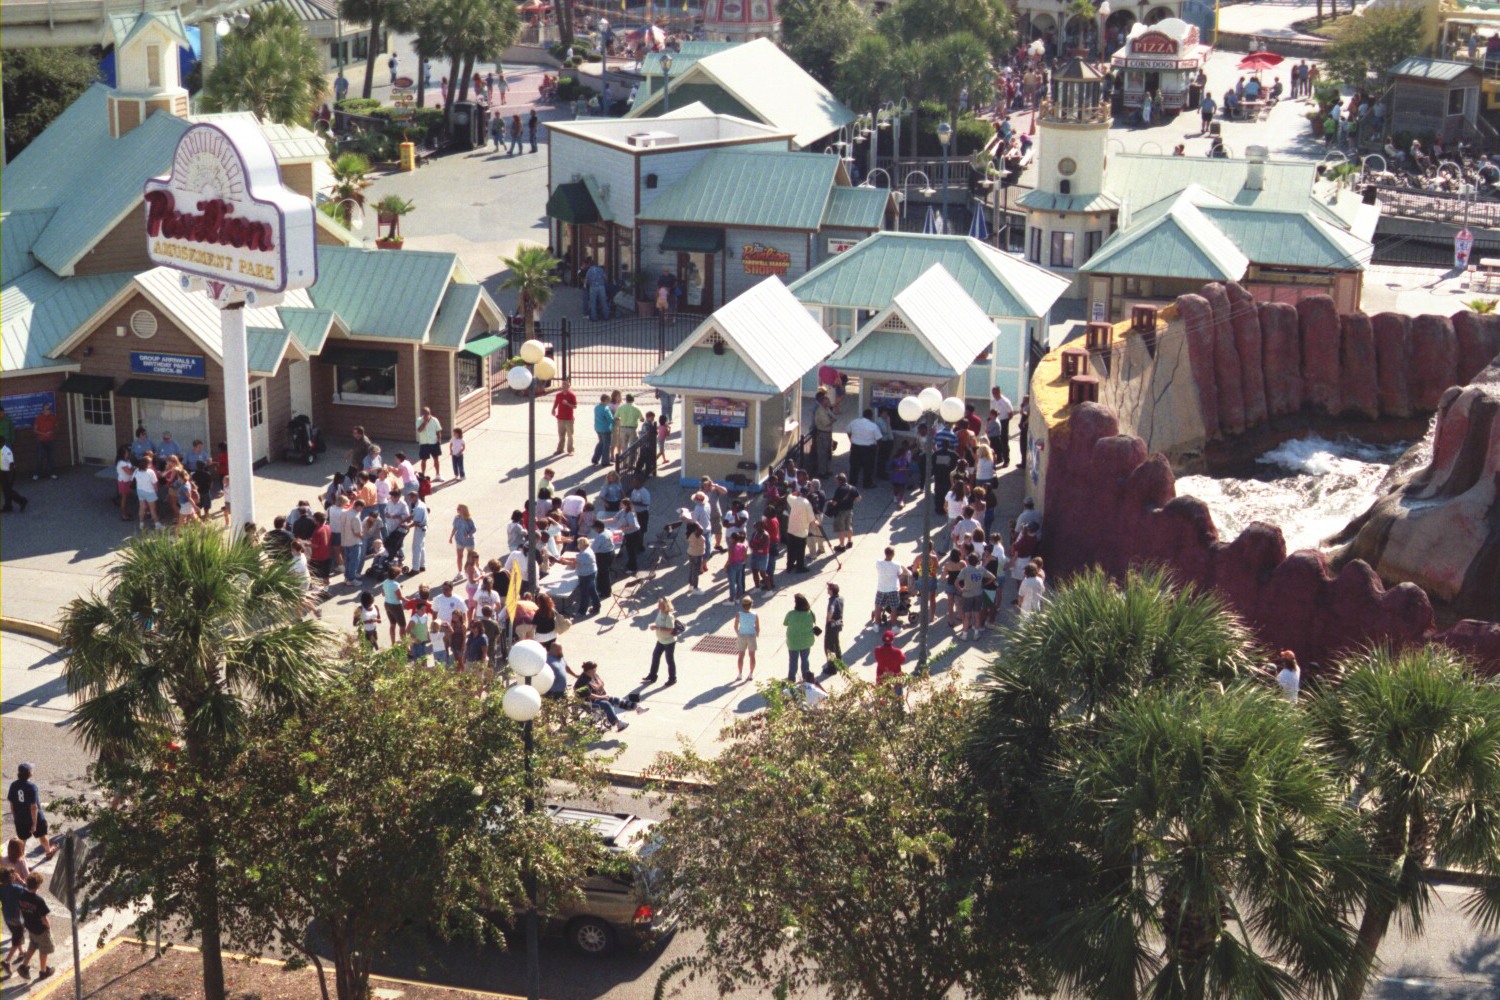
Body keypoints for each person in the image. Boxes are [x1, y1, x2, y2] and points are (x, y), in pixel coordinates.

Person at [575, 661, 645, 731]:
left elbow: (601, 685)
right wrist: (602, 697)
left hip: (598, 698)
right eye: (594, 670)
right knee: (606, 704)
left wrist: (606, 695)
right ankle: (618, 724)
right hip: (588, 702)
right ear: (589, 670)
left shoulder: (593, 675)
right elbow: (589, 695)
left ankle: (636, 707)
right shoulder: (582, 681)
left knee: (615, 699)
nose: (595, 671)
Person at [5, 767, 51, 862]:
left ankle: (21, 860)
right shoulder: (31, 787)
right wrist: (34, 824)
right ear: (29, 774)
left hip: (21, 818)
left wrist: (16, 818)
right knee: (42, 837)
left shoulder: (13, 785)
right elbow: (34, 807)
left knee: (22, 841)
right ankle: (48, 852)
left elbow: (12, 804)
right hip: (35, 818)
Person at [13, 872, 52, 981]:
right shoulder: (39, 900)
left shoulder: (21, 895)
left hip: (29, 926)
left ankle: (24, 966)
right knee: (44, 950)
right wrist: (49, 927)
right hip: (41, 929)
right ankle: (43, 971)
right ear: (38, 886)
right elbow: (44, 918)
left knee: (33, 945)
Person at [783, 593, 818, 683]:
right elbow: (814, 621)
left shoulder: (791, 614)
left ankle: (791, 680)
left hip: (793, 642)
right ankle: (806, 679)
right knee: (805, 660)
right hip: (806, 641)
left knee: (793, 662)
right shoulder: (810, 613)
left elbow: (785, 623)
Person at [645, 597, 679, 685]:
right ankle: (652, 675)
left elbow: (670, 630)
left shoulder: (669, 616)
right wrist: (656, 627)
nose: (658, 606)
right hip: (661, 640)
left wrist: (657, 628)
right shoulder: (660, 612)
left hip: (669, 642)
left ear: (665, 606)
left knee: (669, 660)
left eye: (660, 605)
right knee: (655, 656)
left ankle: (672, 679)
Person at [846, 408, 881, 488]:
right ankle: (867, 484)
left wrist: (851, 439)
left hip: (855, 447)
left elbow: (848, 431)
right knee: (868, 467)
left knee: (854, 466)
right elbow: (879, 438)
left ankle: (852, 482)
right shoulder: (873, 426)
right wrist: (877, 447)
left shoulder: (854, 422)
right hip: (868, 449)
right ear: (871, 416)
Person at [827, 473, 860, 550]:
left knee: (841, 529)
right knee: (849, 527)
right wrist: (850, 499)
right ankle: (850, 542)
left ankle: (842, 546)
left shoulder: (839, 489)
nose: (836, 482)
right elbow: (858, 498)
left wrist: (831, 502)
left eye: (837, 480)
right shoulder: (853, 488)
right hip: (849, 510)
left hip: (840, 512)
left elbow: (834, 503)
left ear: (840, 481)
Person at [873, 629, 907, 700]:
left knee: (882, 696)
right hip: (895, 676)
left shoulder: (877, 650)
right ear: (892, 640)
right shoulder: (897, 652)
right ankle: (899, 702)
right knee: (898, 694)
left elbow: (877, 659)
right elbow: (903, 659)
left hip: (881, 676)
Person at [785, 487, 813, 572]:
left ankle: (789, 565)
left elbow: (788, 496)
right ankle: (800, 567)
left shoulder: (794, 500)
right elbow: (811, 518)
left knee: (791, 549)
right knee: (800, 550)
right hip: (801, 531)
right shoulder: (807, 503)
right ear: (807, 494)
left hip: (791, 529)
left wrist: (795, 493)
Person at [872, 546, 902, 626]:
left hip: (881, 588)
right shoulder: (897, 564)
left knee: (878, 607)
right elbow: (900, 574)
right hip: (893, 589)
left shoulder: (879, 562)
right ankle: (894, 626)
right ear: (893, 554)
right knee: (893, 608)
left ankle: (876, 625)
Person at [415, 406, 443, 480]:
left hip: (434, 442)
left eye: (427, 413)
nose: (426, 415)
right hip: (424, 443)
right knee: (423, 460)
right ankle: (423, 475)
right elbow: (419, 430)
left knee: (436, 459)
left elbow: (438, 430)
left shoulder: (434, 420)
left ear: (430, 413)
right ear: (422, 414)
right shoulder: (419, 420)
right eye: (425, 413)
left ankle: (438, 475)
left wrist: (439, 440)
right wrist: (425, 423)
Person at [735, 595, 759, 681]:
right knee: (752, 656)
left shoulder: (739, 614)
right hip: (751, 635)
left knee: (741, 656)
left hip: (742, 635)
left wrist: (738, 633)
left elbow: (735, 626)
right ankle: (751, 674)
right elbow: (757, 627)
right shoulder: (755, 615)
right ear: (751, 604)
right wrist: (756, 634)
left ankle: (740, 674)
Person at [30, 404, 56, 481]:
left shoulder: (53, 417)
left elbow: (57, 427)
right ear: (42, 410)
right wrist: (43, 433)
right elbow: (35, 430)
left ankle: (51, 473)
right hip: (41, 441)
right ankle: (37, 474)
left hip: (51, 440)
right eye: (45, 409)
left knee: (51, 458)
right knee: (39, 458)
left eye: (48, 409)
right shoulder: (38, 418)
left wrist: (52, 431)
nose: (47, 410)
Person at [812, 391, 835, 476]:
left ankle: (827, 470)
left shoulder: (827, 409)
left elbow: (834, 417)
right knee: (822, 454)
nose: (828, 403)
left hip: (828, 433)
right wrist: (831, 420)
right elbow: (826, 423)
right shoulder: (820, 411)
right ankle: (822, 472)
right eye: (826, 401)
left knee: (828, 453)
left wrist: (831, 419)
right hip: (822, 433)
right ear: (822, 402)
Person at [613, 393, 642, 460]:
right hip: (633, 428)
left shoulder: (621, 407)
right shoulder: (636, 408)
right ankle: (631, 461)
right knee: (632, 446)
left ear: (626, 400)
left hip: (623, 428)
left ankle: (625, 461)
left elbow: (616, 417)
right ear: (633, 400)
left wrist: (621, 419)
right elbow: (642, 419)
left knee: (624, 446)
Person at [450, 503, 477, 575]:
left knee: (470, 557)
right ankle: (460, 572)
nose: (457, 510)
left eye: (458, 509)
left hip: (469, 541)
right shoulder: (456, 518)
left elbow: (474, 529)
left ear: (463, 510)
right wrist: (451, 537)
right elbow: (455, 528)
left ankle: (470, 570)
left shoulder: (469, 520)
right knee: (459, 556)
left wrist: (469, 534)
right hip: (459, 539)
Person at [823, 582, 844, 673]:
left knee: (829, 647)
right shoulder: (841, 599)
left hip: (831, 626)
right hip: (838, 625)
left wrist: (829, 618)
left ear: (831, 591)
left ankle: (831, 668)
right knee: (836, 643)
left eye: (828, 589)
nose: (827, 590)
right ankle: (839, 662)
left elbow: (831, 610)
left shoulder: (832, 601)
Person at [0, 441, 26, 515]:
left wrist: (10, 477)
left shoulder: (7, 451)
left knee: (8, 490)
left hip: (8, 472)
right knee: (5, 490)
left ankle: (21, 500)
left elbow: (11, 464)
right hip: (3, 472)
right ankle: (8, 506)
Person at [591, 393, 615, 464]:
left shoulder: (597, 407)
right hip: (605, 429)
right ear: (606, 400)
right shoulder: (606, 409)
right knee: (606, 445)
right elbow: (610, 419)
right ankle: (605, 461)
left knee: (601, 443)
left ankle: (595, 458)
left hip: (598, 428)